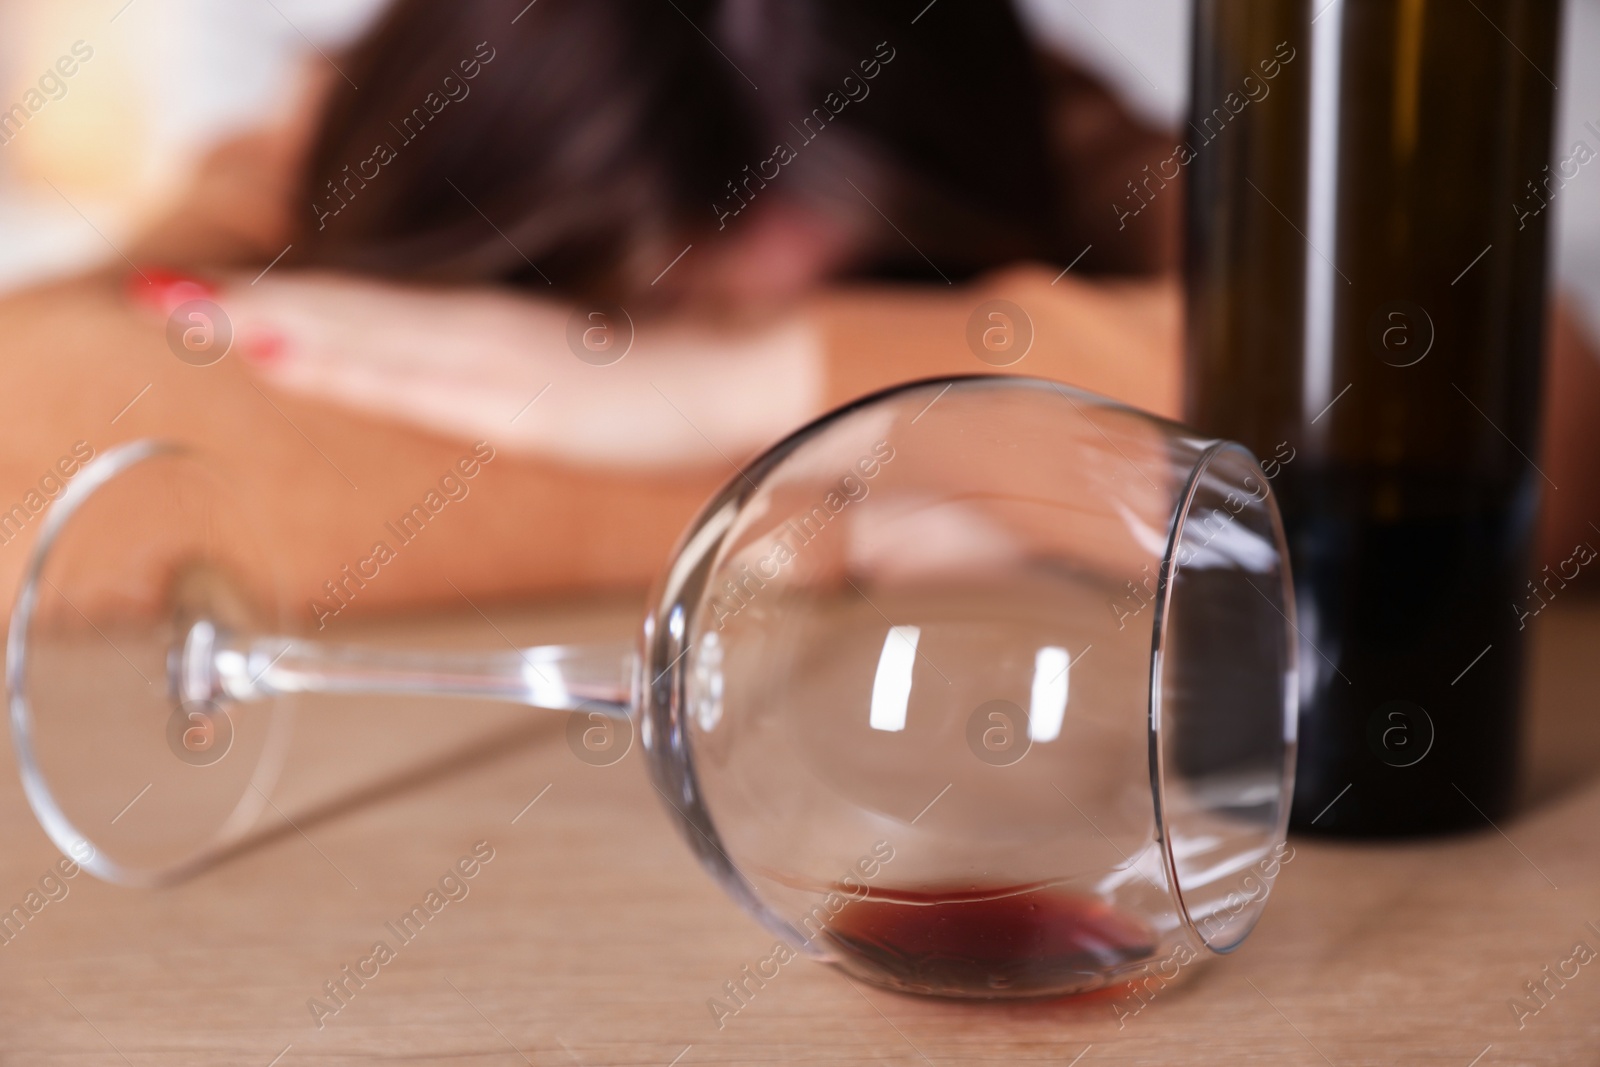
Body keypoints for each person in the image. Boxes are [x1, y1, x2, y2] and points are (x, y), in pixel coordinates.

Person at [0, 0, 1593, 626]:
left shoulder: (1075, 146)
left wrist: (728, 390)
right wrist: (860, 494)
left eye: (869, 311)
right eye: (605, 325)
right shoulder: (321, 150)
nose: (635, 368)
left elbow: (1506, 425)